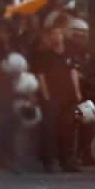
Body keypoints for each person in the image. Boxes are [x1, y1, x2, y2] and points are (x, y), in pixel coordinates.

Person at [34, 25, 83, 172]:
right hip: (53, 98)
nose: (56, 36)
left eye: (59, 33)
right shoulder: (44, 55)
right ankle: (49, 162)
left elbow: (73, 72)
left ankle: (67, 161)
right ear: (50, 37)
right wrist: (46, 95)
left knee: (67, 130)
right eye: (53, 34)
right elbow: (40, 77)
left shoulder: (69, 53)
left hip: (68, 97)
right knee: (50, 130)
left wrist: (77, 92)